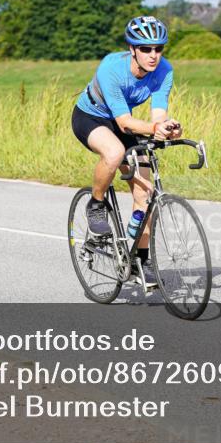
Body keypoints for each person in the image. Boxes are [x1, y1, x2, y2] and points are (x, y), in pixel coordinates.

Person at [71, 16, 183, 272]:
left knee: (145, 191)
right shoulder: (111, 68)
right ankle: (97, 205)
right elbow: (124, 123)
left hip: (127, 121)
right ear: (132, 49)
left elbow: (157, 116)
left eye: (158, 48)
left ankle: (141, 259)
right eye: (145, 49)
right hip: (92, 117)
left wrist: (166, 128)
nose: (153, 55)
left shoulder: (164, 70)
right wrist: (154, 128)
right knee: (114, 152)